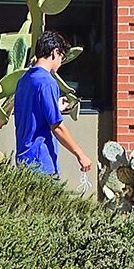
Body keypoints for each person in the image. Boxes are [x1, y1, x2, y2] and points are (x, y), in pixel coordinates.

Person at [13, 31, 91, 176]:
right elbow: (57, 126)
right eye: (62, 56)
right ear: (55, 52)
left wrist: (56, 107)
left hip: (23, 158)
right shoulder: (47, 82)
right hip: (40, 162)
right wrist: (80, 154)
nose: (61, 62)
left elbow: (33, 112)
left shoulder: (24, 79)